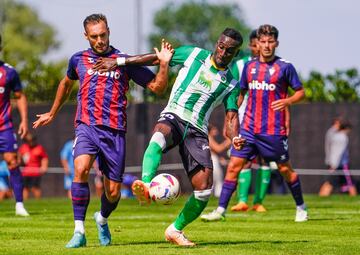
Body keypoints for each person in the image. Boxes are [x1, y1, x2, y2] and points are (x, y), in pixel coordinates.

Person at [94, 27, 246, 246]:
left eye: (229, 50)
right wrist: (118, 62)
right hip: (174, 115)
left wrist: (235, 137)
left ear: (235, 53)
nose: (223, 52)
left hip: (197, 130)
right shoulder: (193, 54)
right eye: (221, 46)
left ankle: (175, 230)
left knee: (204, 190)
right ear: (217, 43)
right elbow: (157, 59)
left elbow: (231, 118)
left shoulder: (231, 83)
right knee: (157, 139)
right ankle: (146, 186)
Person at [33, 13, 173, 248]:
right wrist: (52, 112)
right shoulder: (78, 60)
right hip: (86, 127)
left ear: (108, 31)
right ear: (86, 36)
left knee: (113, 193)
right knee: (81, 169)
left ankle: (102, 218)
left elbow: (158, 88)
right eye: (95, 36)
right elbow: (66, 83)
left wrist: (164, 64)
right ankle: (79, 231)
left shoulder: (124, 61)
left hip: (114, 132)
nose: (100, 40)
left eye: (103, 34)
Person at [201, 24, 308, 223]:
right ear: (257, 43)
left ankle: (301, 207)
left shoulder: (285, 67)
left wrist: (288, 101)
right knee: (234, 166)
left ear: (276, 43)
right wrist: (230, 119)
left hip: (272, 130)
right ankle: (221, 210)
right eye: (263, 41)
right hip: (249, 128)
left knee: (285, 169)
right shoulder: (249, 67)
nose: (266, 45)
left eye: (270, 42)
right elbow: (240, 95)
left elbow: (301, 92)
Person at [0, 34, 29, 216]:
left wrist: (25, 120)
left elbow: (19, 96)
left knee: (13, 162)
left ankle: (19, 204)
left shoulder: (9, 72)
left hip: (5, 127)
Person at [319, 120, 357, 196]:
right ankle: (321, 197)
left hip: (338, 165)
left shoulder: (336, 136)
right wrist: (333, 165)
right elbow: (337, 153)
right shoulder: (341, 137)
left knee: (347, 183)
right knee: (331, 183)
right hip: (339, 165)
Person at [18, 133, 48, 199]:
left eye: (32, 140)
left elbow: (44, 158)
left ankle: (38, 202)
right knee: (25, 188)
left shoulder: (39, 148)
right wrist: (19, 160)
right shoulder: (23, 148)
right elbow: (19, 158)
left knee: (35, 188)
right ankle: (25, 203)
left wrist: (44, 166)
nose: (31, 142)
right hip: (25, 173)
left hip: (35, 172)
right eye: (28, 141)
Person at [208, 124, 231, 198]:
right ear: (210, 131)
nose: (216, 131)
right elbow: (218, 149)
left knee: (216, 179)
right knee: (217, 179)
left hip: (213, 159)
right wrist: (228, 141)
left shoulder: (210, 138)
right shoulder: (209, 137)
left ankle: (216, 195)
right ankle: (218, 195)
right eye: (214, 129)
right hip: (212, 160)